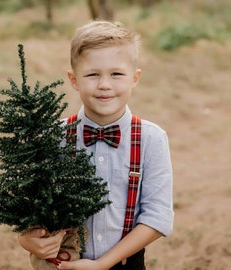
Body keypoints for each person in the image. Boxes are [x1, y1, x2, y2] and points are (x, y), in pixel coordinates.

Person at [18, 20, 174, 270]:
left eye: (116, 74)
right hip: (63, 263)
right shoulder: (52, 137)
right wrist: (27, 239)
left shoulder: (151, 139)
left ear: (135, 78)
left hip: (125, 264)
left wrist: (103, 263)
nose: (104, 84)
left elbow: (158, 218)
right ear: (74, 79)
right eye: (92, 74)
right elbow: (28, 207)